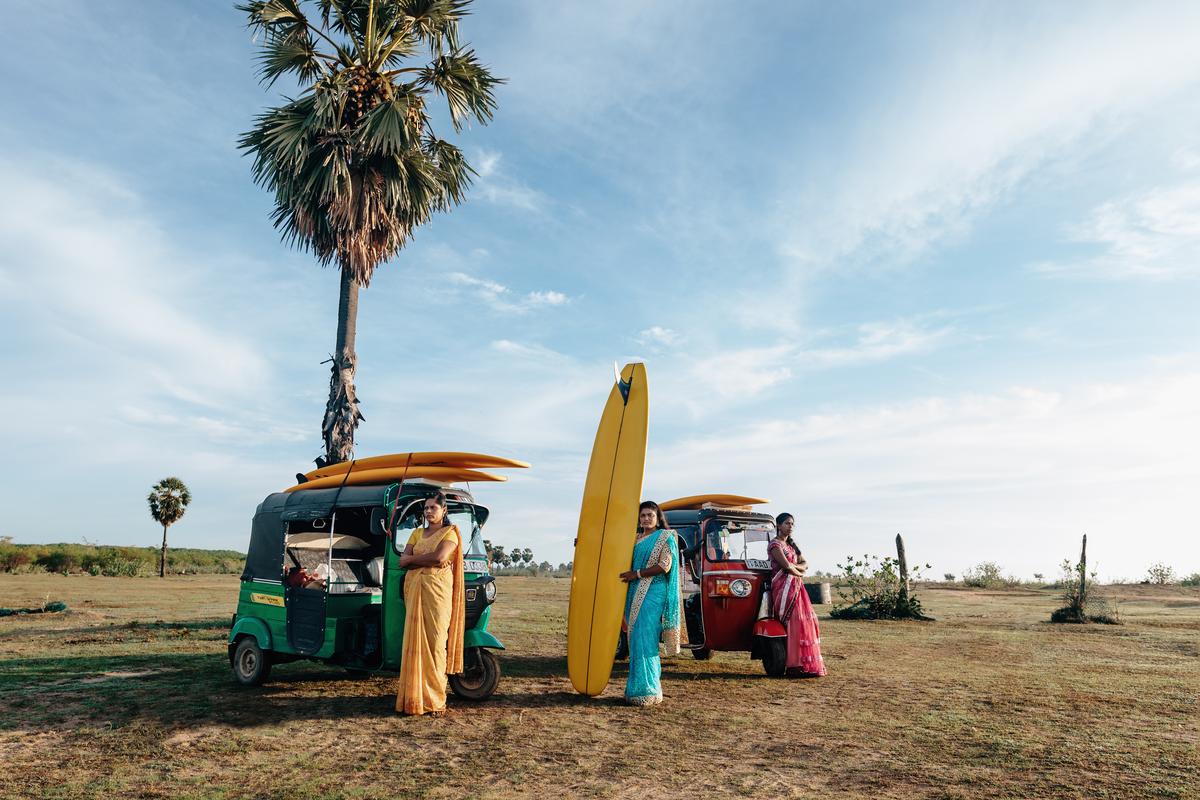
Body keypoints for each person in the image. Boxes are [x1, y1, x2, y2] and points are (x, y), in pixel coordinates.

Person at [395, 492, 465, 715]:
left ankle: (434, 700)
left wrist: (413, 560)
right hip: (415, 590)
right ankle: (413, 699)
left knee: (435, 644)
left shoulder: (450, 533)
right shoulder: (416, 533)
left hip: (437, 593)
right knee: (413, 643)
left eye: (433, 508)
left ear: (444, 510)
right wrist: (416, 561)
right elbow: (401, 561)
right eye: (425, 508)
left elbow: (439, 558)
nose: (428, 512)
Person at [618, 500, 682, 706]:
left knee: (646, 636)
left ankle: (650, 690)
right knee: (635, 638)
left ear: (658, 517)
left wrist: (636, 574)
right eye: (643, 515)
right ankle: (636, 689)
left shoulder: (665, 537)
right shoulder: (635, 539)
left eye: (650, 515)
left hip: (654, 591)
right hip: (634, 591)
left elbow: (665, 566)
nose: (646, 518)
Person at [768, 513, 827, 677]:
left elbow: (805, 564)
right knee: (793, 622)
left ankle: (804, 664)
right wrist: (798, 571)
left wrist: (798, 570)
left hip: (796, 586)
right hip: (783, 587)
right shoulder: (775, 545)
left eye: (792, 524)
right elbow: (785, 566)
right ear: (778, 525)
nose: (790, 526)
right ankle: (793, 665)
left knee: (805, 621)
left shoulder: (792, 546)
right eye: (787, 523)